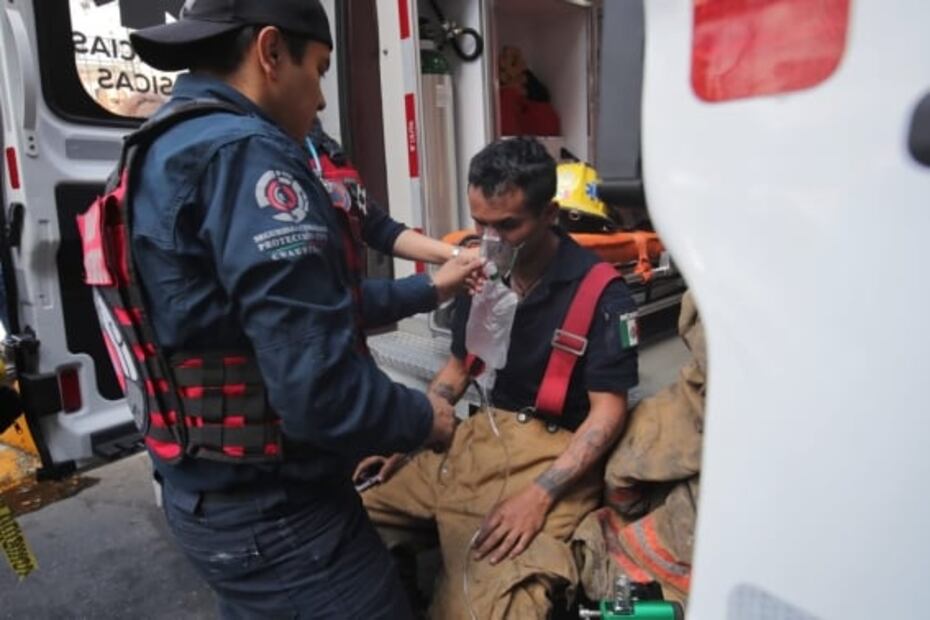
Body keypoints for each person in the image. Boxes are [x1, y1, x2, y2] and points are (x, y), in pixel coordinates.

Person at [111, 1, 483, 617]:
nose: (321, 95)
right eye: (321, 68)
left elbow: (296, 313)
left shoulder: (162, 144)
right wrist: (421, 417)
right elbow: (320, 391)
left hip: (203, 495)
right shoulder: (245, 158)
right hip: (277, 516)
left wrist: (433, 283)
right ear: (270, 52)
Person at [358, 137, 640, 618]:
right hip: (477, 441)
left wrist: (540, 496)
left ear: (550, 214)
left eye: (508, 226)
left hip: (550, 454)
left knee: (490, 605)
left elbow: (607, 410)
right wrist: (413, 435)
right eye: (480, 223)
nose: (489, 240)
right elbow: (457, 370)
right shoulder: (481, 274)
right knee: (348, 520)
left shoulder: (602, 295)